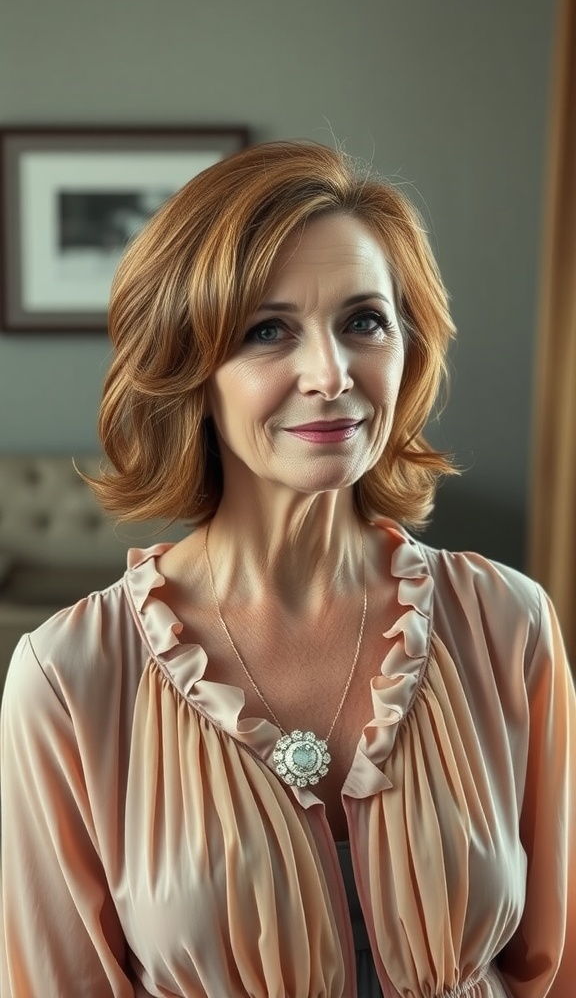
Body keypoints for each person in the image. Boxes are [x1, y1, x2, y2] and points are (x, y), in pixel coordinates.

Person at [1, 140, 574, 998]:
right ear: (188, 367)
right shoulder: (68, 678)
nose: (330, 373)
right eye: (269, 330)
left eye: (363, 321)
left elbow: (554, 966)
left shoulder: (507, 623)